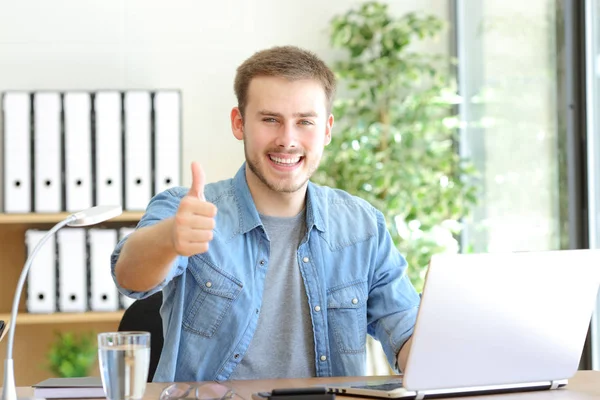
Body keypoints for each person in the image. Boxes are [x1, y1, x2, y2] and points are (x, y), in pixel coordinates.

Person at [112, 45, 421, 383]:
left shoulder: (362, 226)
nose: (288, 140)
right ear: (239, 122)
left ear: (327, 130)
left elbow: (406, 333)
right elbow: (130, 278)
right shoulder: (187, 209)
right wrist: (169, 238)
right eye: (271, 120)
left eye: (304, 122)